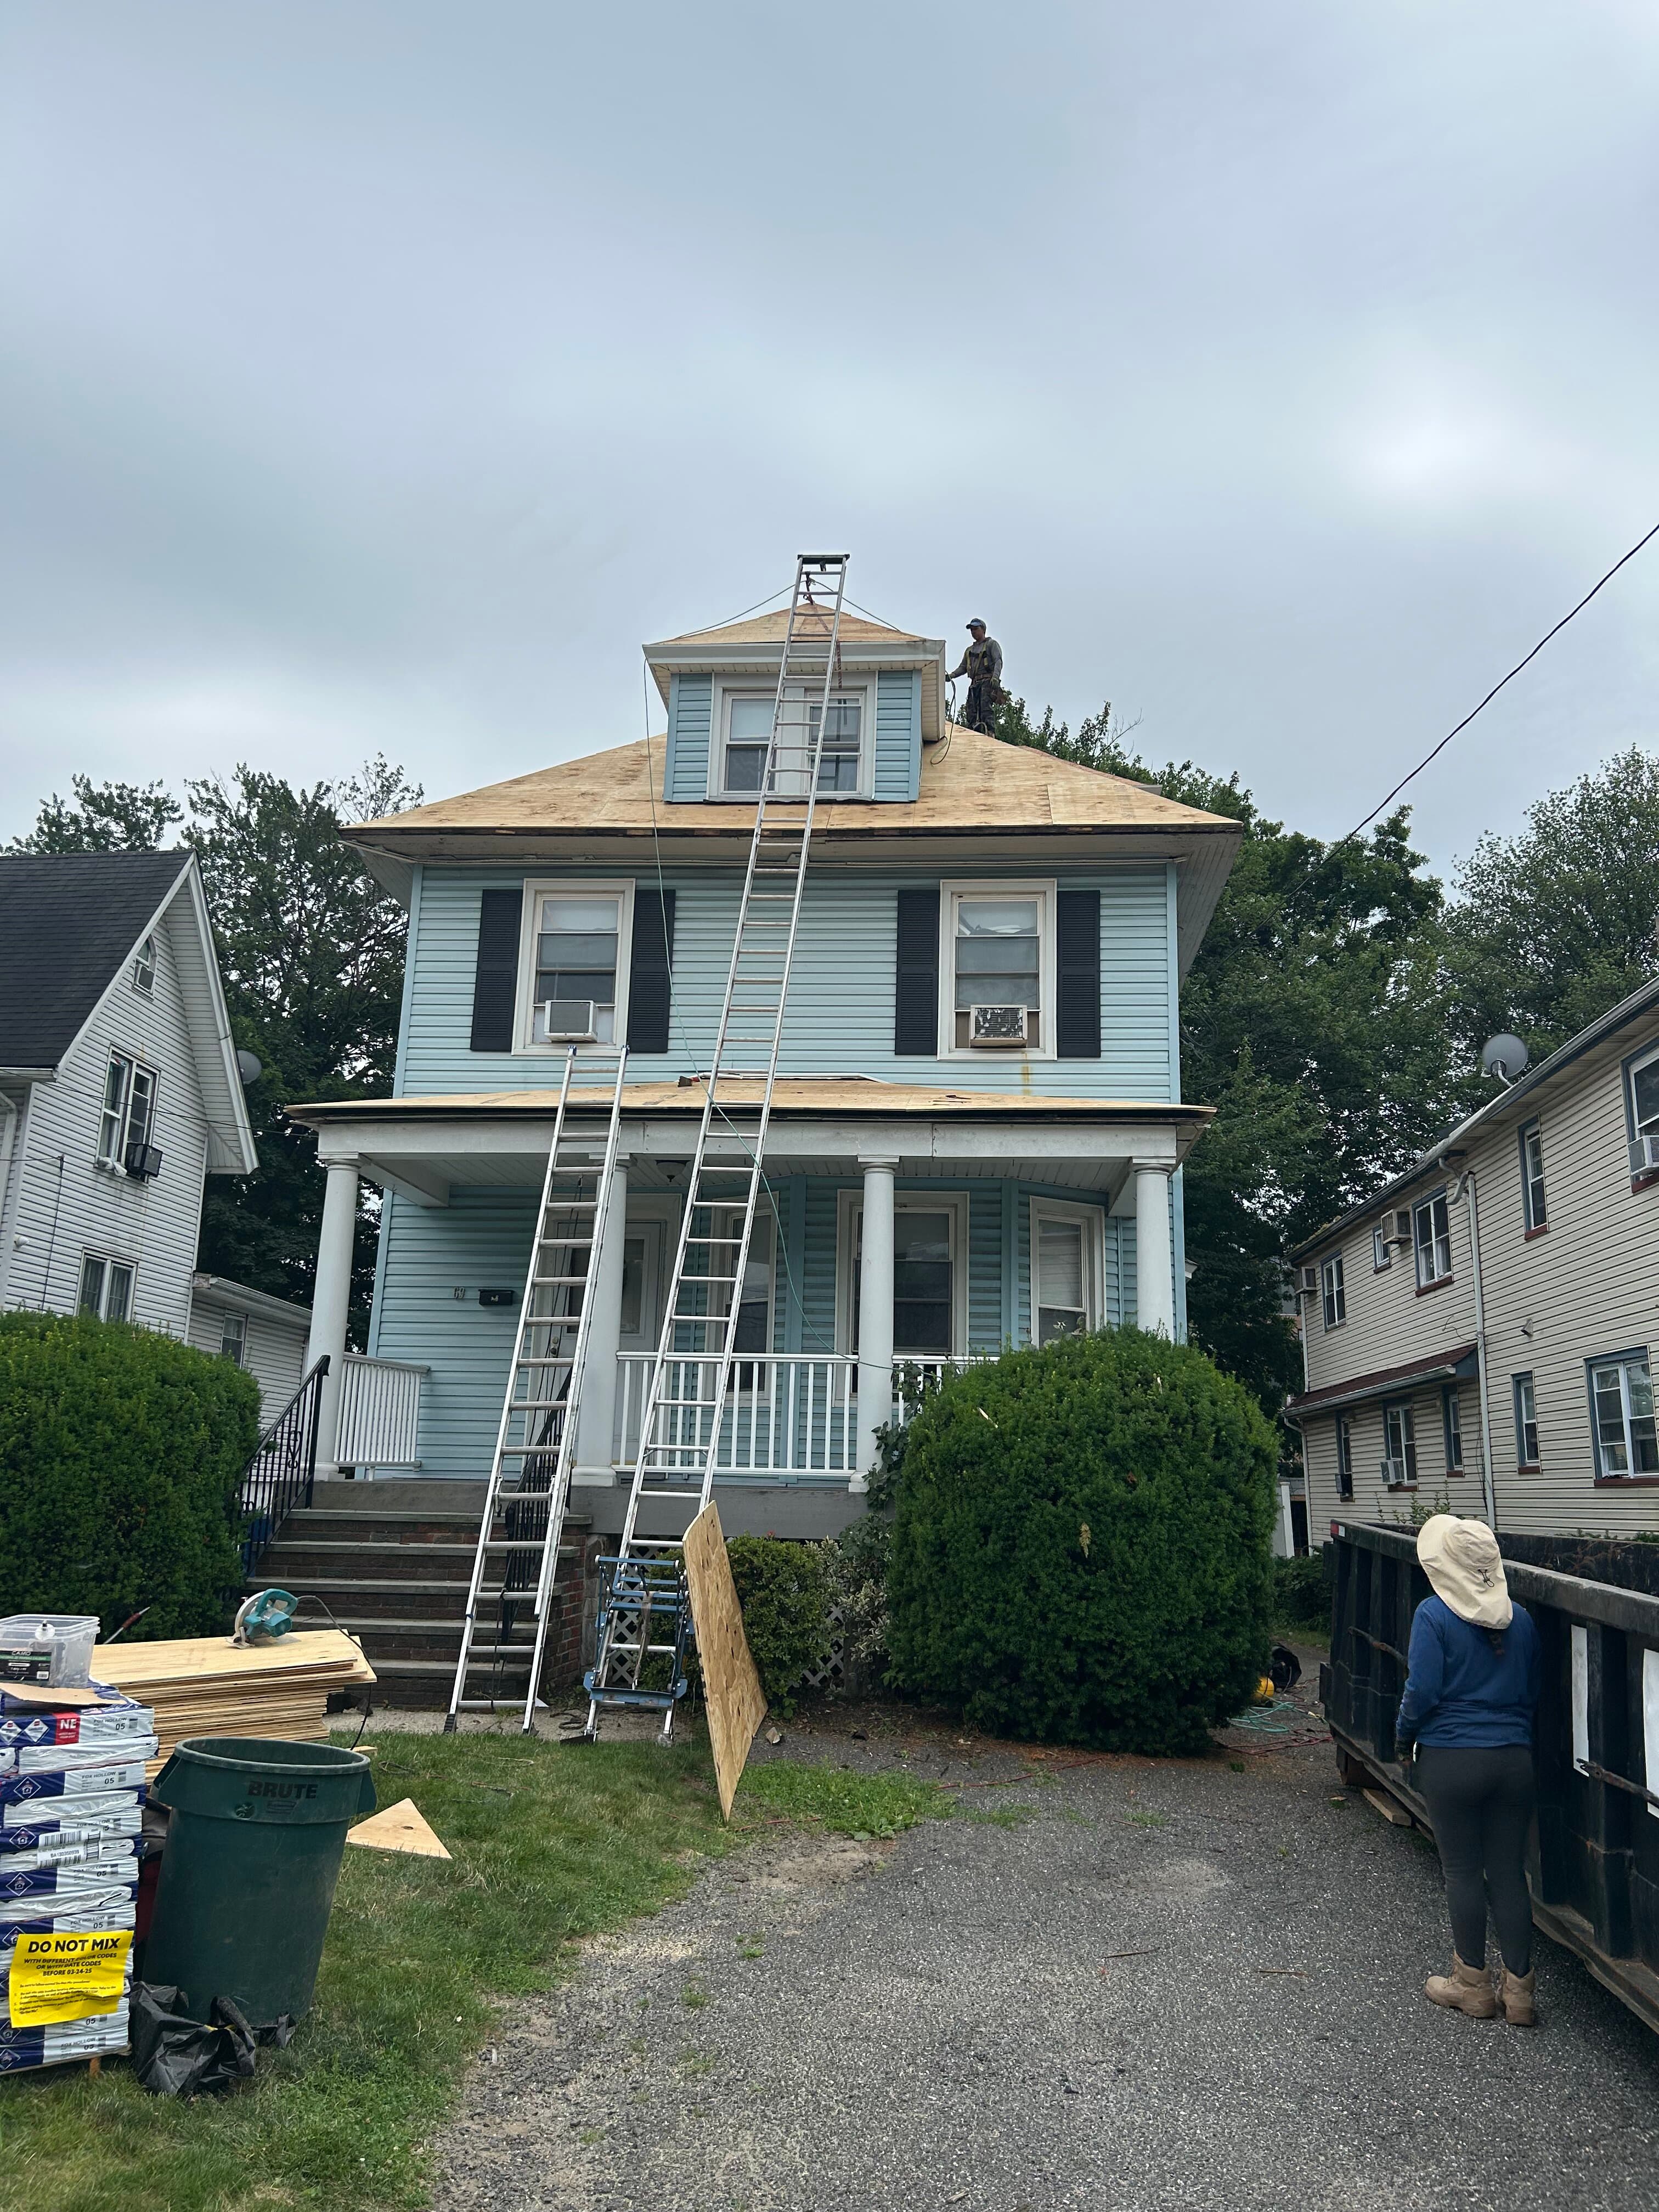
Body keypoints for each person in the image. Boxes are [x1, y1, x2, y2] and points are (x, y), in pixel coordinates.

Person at [1395, 1513, 1541, 2025]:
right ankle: (1520, 1994)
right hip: (1514, 1761)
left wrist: (1403, 1735)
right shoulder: (1521, 1620)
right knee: (1508, 1873)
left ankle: (1471, 1986)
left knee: (1461, 1872)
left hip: (1452, 1758)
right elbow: (1531, 1692)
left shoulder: (1433, 1616)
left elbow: (1422, 1691)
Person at [947, 619, 1004, 733]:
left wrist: (995, 677)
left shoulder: (991, 644)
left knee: (985, 709)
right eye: (972, 630)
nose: (973, 632)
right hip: (975, 684)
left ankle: (990, 733)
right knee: (971, 711)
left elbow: (998, 661)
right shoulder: (970, 650)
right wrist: (951, 676)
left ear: (983, 629)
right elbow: (963, 667)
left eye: (976, 629)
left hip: (987, 681)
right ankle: (974, 733)